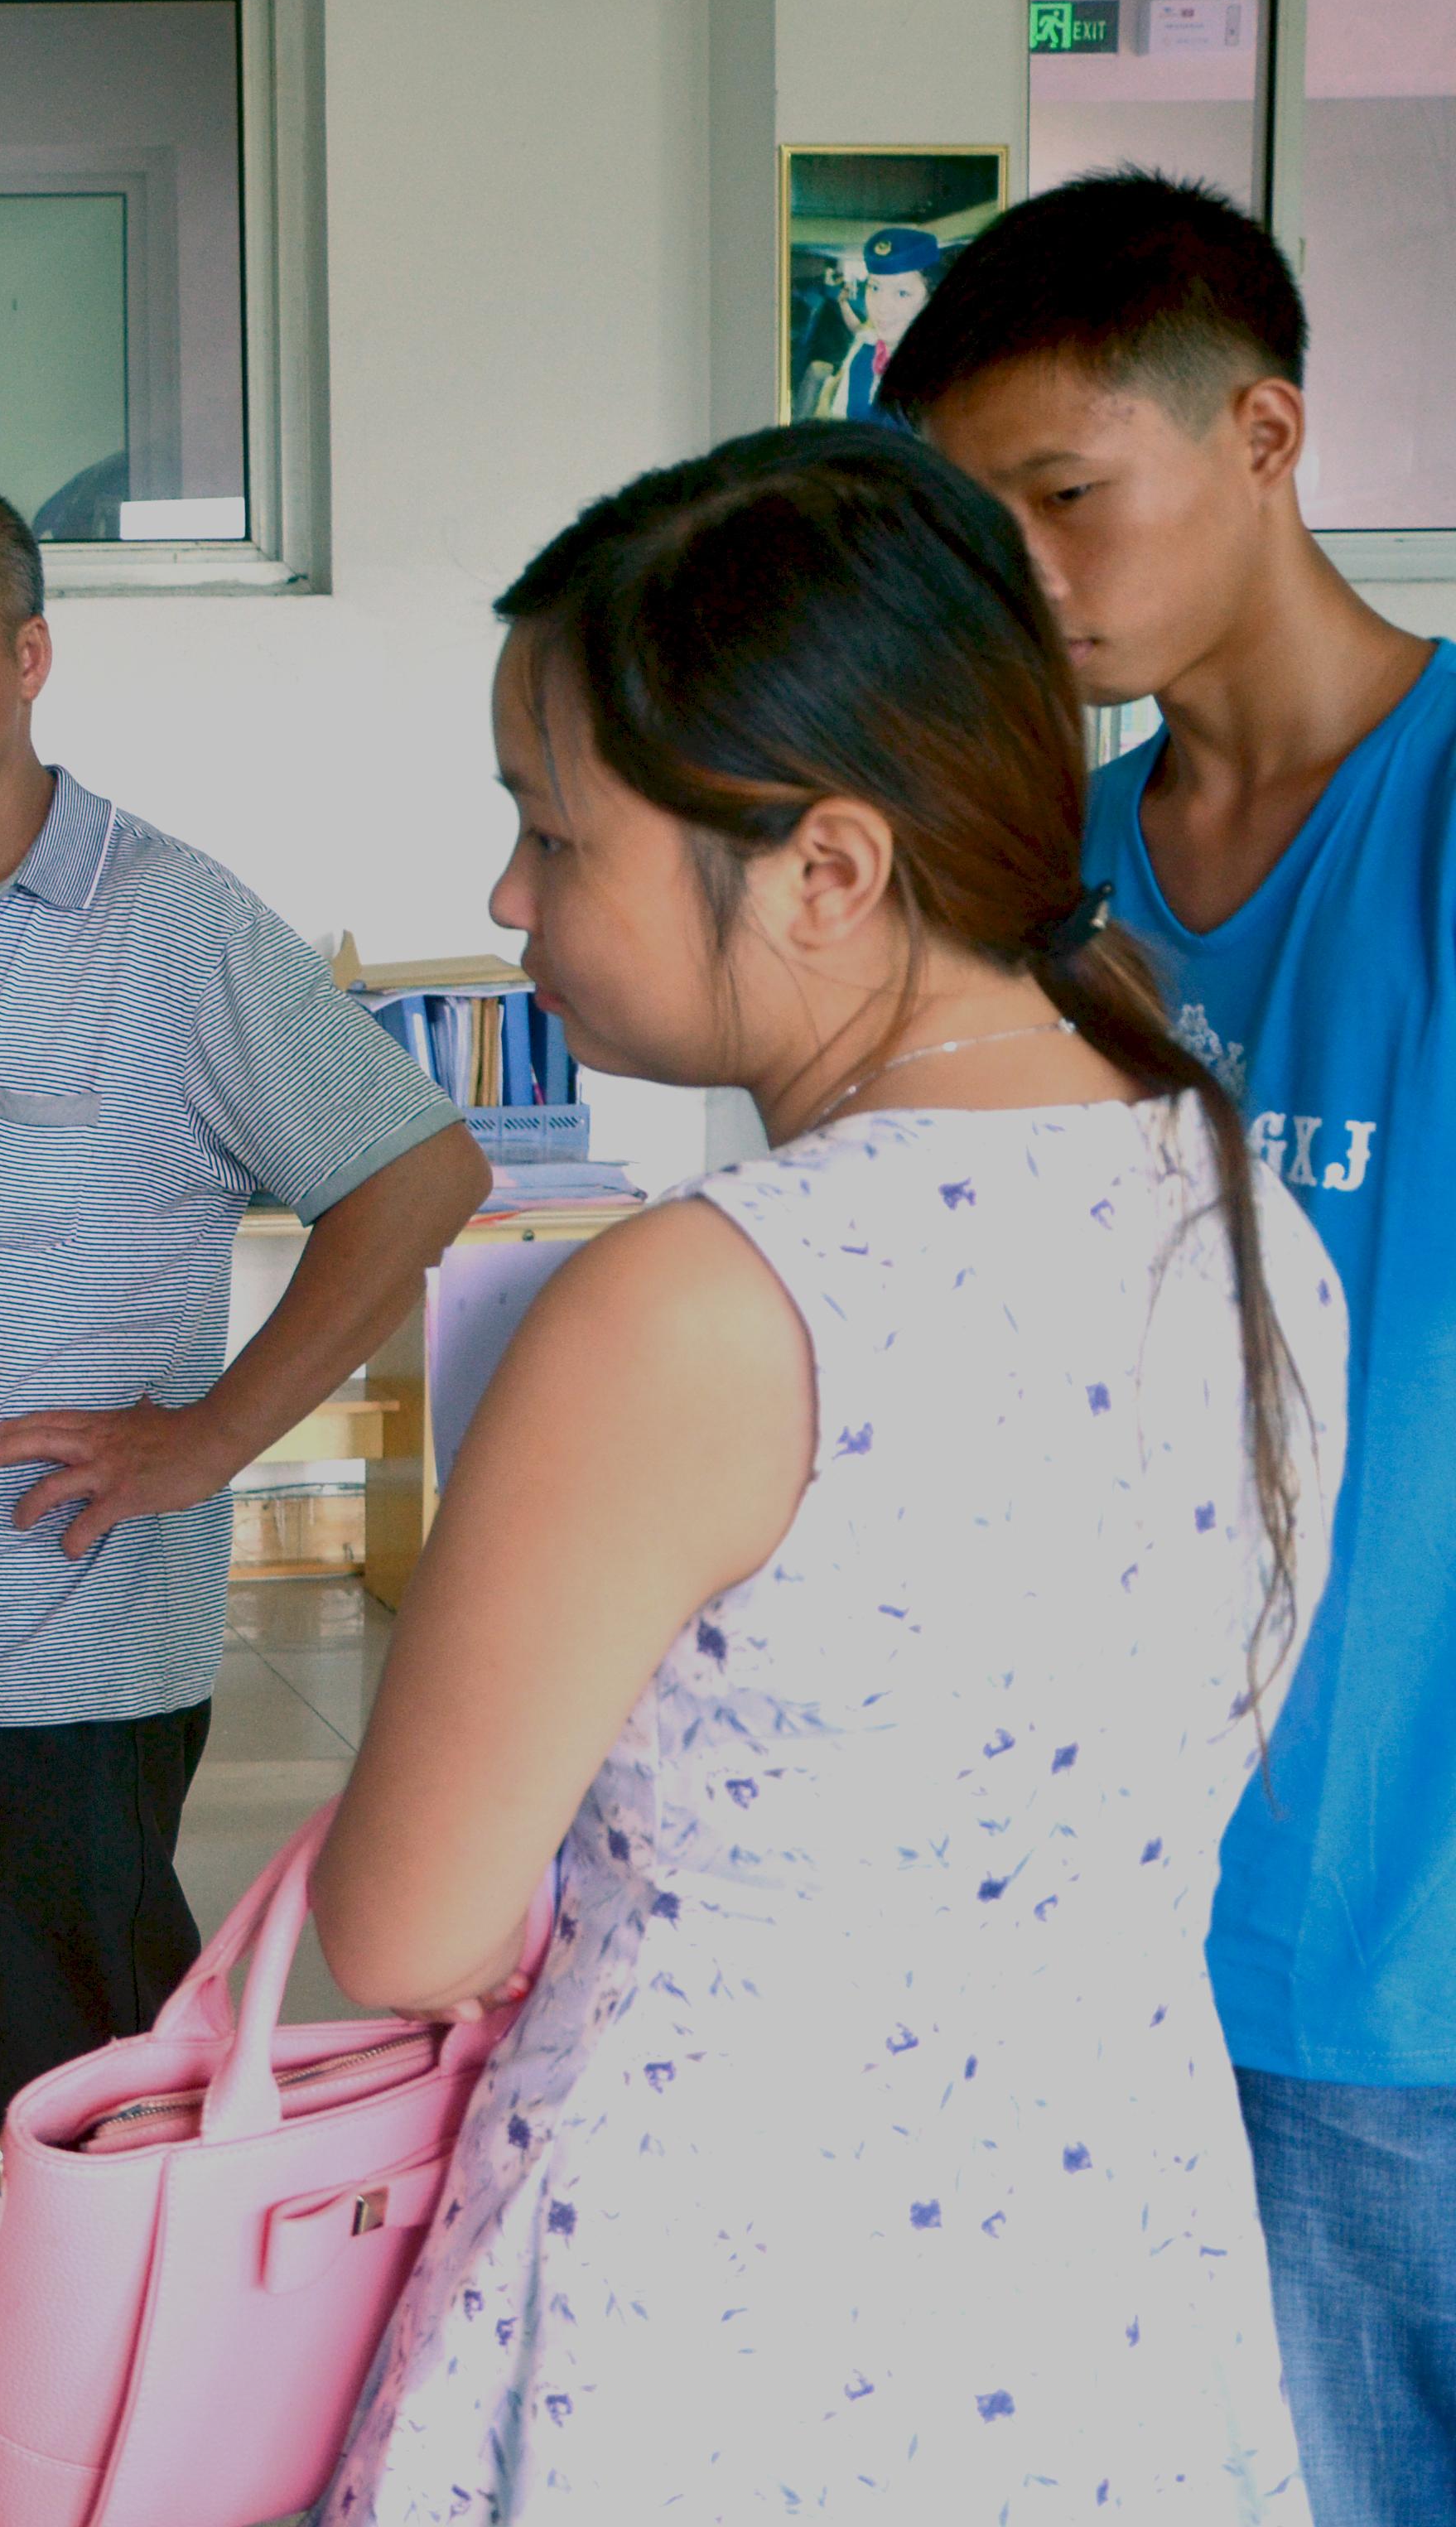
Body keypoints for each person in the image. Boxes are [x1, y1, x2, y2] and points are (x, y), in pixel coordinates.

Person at [314, 422, 1342, 2520]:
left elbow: (403, 1926)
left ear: (830, 869)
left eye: (552, 830)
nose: (507, 895)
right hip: (1107, 2292)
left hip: (720, 2310)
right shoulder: (1248, 1221)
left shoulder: (701, 1309)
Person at [0, 466, 489, 2165]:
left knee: (56, 2140)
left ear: (29, 656)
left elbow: (415, 1173)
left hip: (53, 1668)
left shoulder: (165, 923)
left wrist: (207, 1440)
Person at [881, 166, 1456, 2525]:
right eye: (975, 526)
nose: (1021, 575)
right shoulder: (1056, 880)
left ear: (1265, 436)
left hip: (1415, 1942)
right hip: (1115, 1958)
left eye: (1065, 496)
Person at [796, 224, 943, 422]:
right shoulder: (863, 357)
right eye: (874, 288)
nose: (882, 307)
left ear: (931, 300)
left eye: (902, 293)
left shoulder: (947, 373)